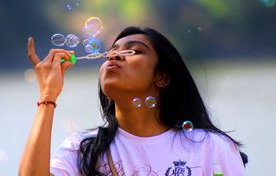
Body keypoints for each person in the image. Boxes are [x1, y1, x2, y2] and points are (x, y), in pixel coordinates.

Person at [19, 26, 247, 176]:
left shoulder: (211, 147)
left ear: (163, 77)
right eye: (111, 52)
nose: (114, 56)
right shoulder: (84, 150)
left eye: (132, 52)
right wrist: (48, 95)